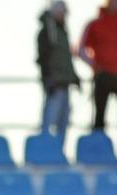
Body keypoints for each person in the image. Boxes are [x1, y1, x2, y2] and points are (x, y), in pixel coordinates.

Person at [79, 0, 117, 154]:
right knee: (99, 116)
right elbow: (80, 48)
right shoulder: (95, 24)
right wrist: (95, 66)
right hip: (103, 76)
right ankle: (99, 153)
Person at [36, 0, 81, 144]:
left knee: (64, 120)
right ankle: (46, 150)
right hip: (55, 84)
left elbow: (66, 58)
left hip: (65, 83)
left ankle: (58, 151)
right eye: (62, 12)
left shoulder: (62, 32)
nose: (64, 16)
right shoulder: (47, 33)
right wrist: (48, 78)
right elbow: (45, 57)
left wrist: (74, 77)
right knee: (50, 119)